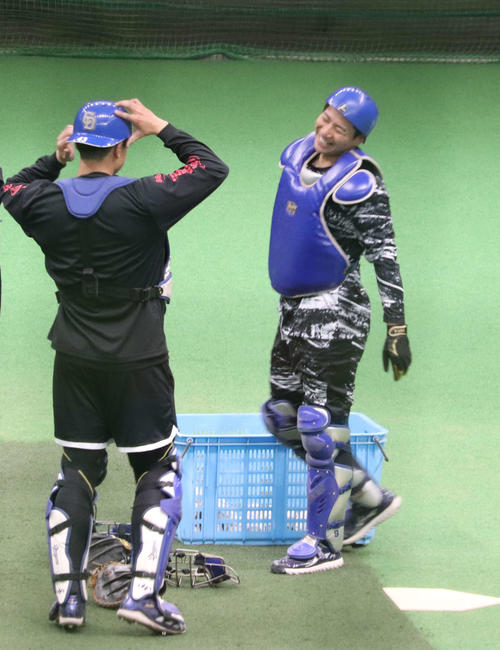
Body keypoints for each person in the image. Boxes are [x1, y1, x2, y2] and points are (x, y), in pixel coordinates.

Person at [1, 99, 228, 633]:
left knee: (77, 470)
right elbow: (210, 167)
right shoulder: (144, 198)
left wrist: (52, 160)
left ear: (77, 146)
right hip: (139, 360)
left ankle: (68, 601)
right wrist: (162, 127)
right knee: (158, 471)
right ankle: (143, 598)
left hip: (74, 359)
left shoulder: (40, 202)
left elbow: (11, 186)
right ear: (122, 149)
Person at [261, 86, 411, 574]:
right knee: (282, 415)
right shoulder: (298, 155)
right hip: (293, 309)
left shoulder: (361, 184)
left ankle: (323, 543)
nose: (326, 132)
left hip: (336, 312)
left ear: (357, 139)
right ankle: (368, 497)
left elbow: (385, 256)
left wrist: (396, 327)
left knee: (320, 427)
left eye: (340, 129)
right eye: (325, 119)